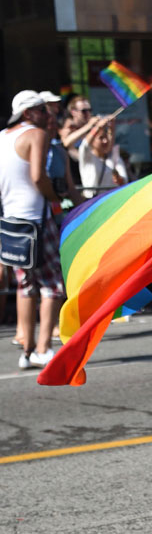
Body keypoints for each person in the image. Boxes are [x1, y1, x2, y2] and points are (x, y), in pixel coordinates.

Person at [0, 92, 64, 368]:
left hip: (11, 222)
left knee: (25, 286)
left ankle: (26, 351)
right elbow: (38, 176)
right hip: (37, 220)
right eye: (42, 109)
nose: (48, 115)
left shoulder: (2, 137)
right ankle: (43, 348)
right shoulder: (36, 135)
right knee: (52, 285)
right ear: (28, 113)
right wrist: (54, 197)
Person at [78, 114, 127, 197]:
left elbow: (124, 182)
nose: (105, 141)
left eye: (106, 137)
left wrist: (119, 179)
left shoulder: (114, 159)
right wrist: (97, 128)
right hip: (92, 201)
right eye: (101, 138)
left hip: (111, 199)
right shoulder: (88, 158)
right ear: (93, 141)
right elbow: (84, 145)